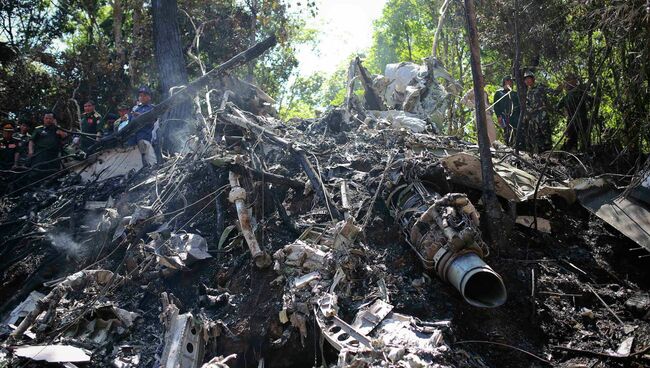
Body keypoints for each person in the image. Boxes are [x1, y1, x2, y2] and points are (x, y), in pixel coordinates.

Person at [521, 71, 557, 153]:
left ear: (533, 79)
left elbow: (552, 92)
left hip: (542, 113)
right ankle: (542, 153)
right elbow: (527, 105)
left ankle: (549, 152)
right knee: (537, 135)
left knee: (546, 133)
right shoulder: (528, 92)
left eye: (528, 79)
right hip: (533, 117)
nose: (527, 81)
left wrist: (559, 88)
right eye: (525, 80)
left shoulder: (540, 87)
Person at [557, 74, 592, 151]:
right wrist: (564, 114)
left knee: (584, 139)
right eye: (566, 82)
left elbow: (592, 100)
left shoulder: (581, 92)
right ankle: (572, 156)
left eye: (569, 81)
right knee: (571, 139)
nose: (567, 84)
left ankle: (585, 153)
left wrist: (590, 110)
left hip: (582, 119)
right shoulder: (566, 97)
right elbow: (557, 108)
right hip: (572, 121)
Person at [28, 112, 68, 179]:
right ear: (43, 119)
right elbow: (31, 141)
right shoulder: (38, 129)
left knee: (52, 174)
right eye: (46, 118)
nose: (48, 120)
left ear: (53, 119)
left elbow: (64, 136)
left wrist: (57, 127)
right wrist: (30, 151)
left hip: (53, 155)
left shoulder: (56, 129)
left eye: (50, 118)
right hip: (40, 154)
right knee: (36, 173)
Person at [125, 86, 157, 166]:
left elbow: (152, 120)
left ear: (149, 97)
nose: (142, 97)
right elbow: (129, 123)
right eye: (140, 95)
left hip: (144, 136)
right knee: (135, 163)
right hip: (132, 139)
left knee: (150, 161)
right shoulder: (135, 108)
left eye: (144, 95)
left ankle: (154, 172)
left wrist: (140, 116)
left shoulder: (152, 108)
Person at [493, 76, 520, 146]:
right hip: (504, 116)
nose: (510, 82)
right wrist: (498, 116)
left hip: (515, 117)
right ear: (504, 82)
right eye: (508, 80)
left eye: (511, 81)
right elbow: (496, 106)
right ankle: (508, 148)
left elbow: (519, 106)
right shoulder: (499, 93)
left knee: (515, 133)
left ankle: (516, 148)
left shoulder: (515, 94)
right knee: (507, 133)